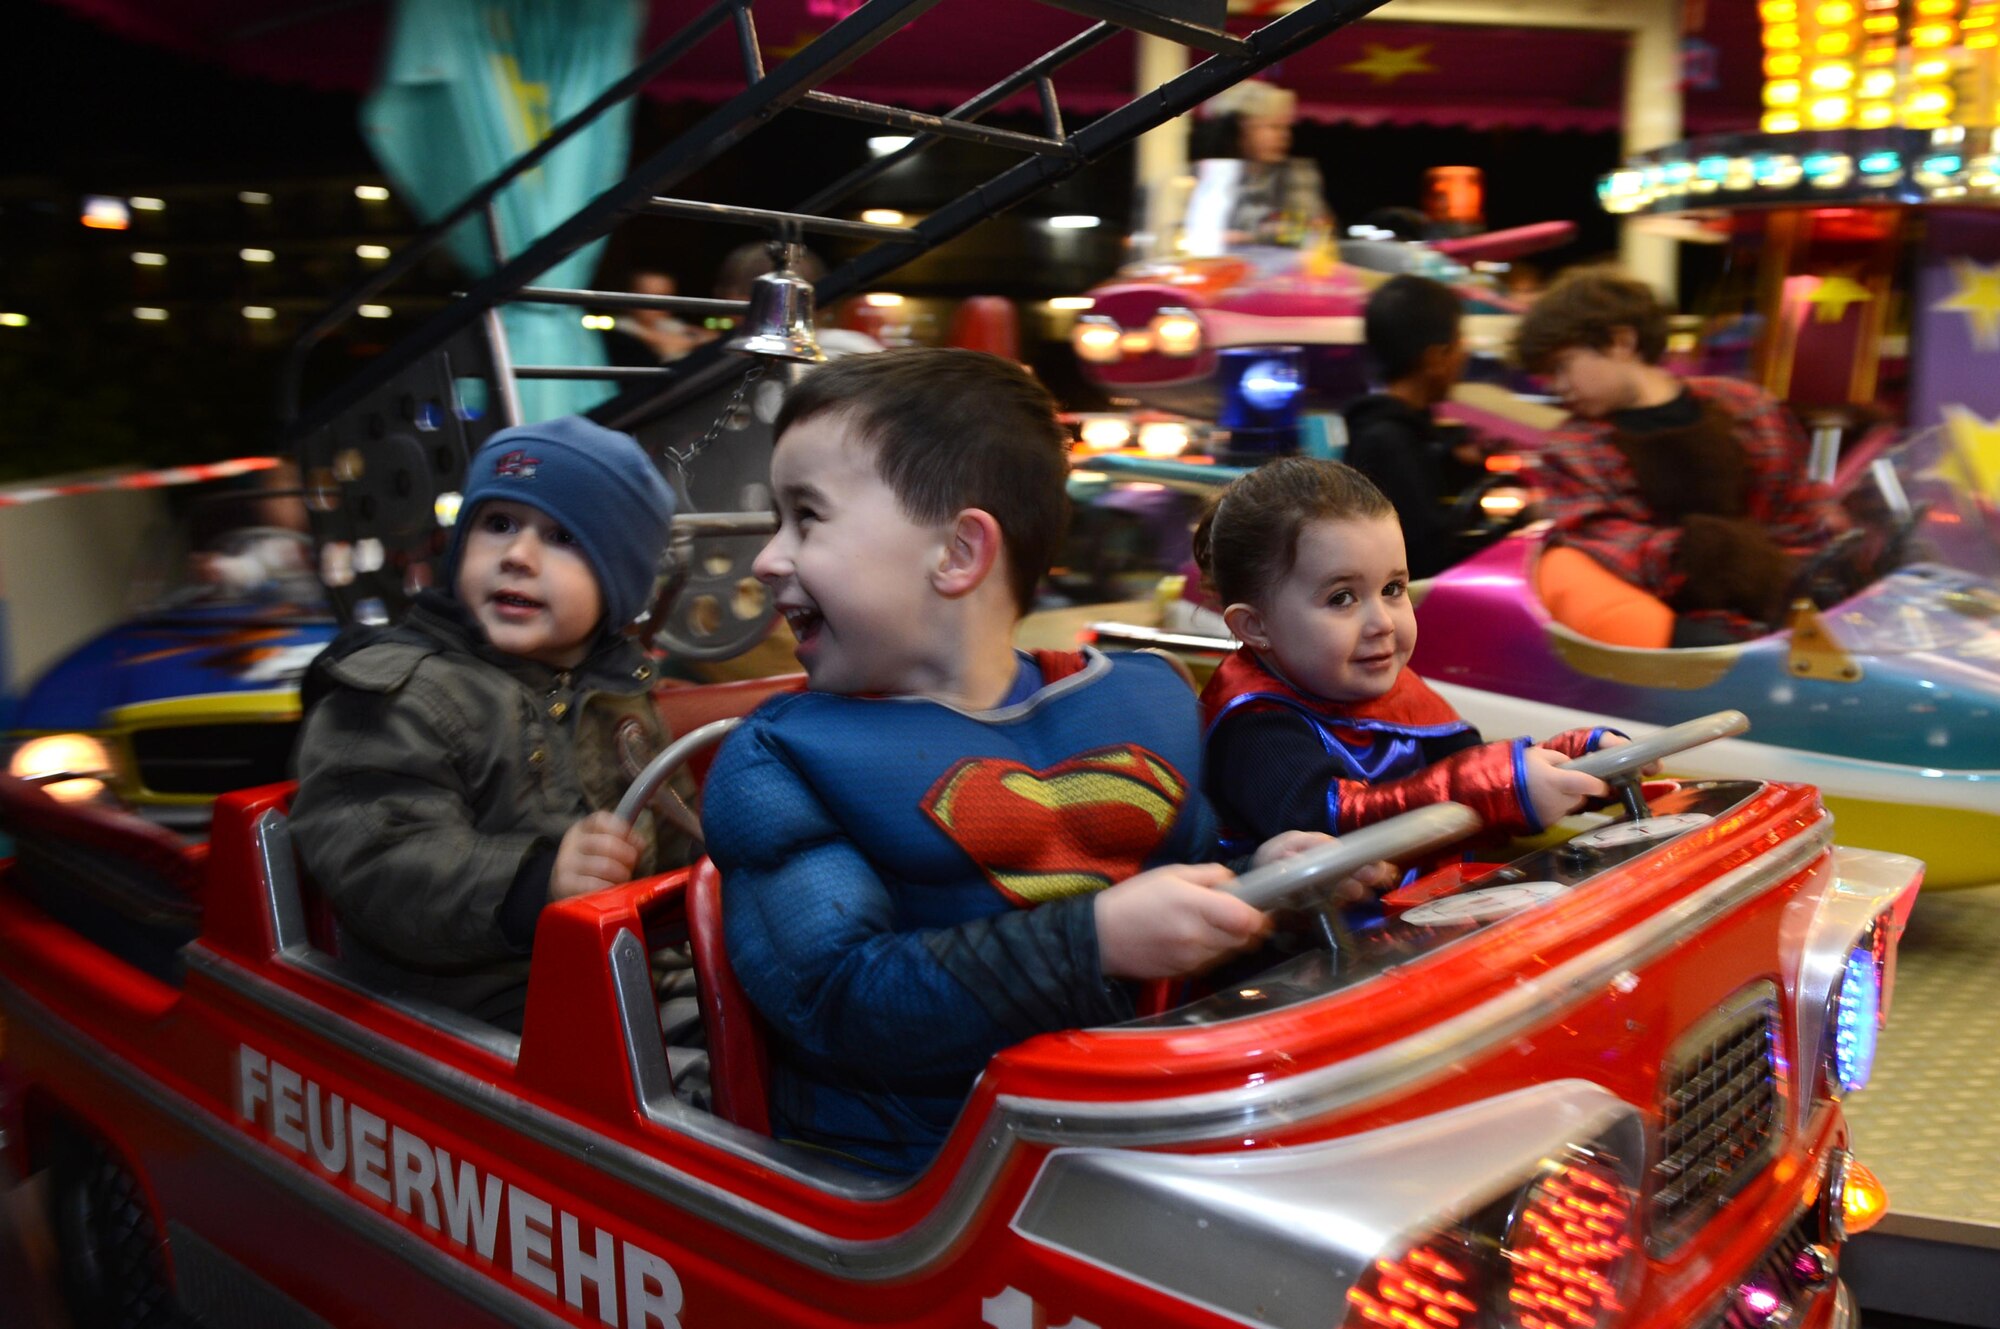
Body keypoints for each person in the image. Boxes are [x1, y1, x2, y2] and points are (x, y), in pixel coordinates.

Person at [700, 349, 1379, 1177]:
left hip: (1141, 1125)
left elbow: (1182, 876)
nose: (769, 557)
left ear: (957, 554)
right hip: (916, 1186)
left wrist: (1260, 880)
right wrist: (1091, 942)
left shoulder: (1137, 697)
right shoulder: (780, 757)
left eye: (806, 517)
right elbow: (833, 999)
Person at [290, 416, 696, 1032]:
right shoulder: (398, 694)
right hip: (472, 1018)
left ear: (619, 583)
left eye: (562, 538)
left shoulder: (622, 696)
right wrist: (536, 882)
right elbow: (377, 859)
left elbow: (679, 840)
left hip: (621, 982)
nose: (517, 556)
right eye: (498, 524)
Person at [1194, 457, 1622, 854]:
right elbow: (1332, 823)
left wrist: (1570, 767)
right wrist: (1501, 788)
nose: (1383, 622)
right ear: (1255, 626)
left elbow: (1468, 770)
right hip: (1332, 933)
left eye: (1393, 589)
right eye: (1342, 597)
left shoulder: (1393, 690)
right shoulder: (1253, 726)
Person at [1514, 267, 1847, 647]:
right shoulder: (1572, 447)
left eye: (1561, 366)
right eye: (1546, 377)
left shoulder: (1746, 407)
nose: (1558, 388)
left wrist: (1815, 573)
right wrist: (1717, 554)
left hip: (1788, 624)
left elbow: (1797, 508)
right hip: (1672, 644)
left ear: (1621, 342)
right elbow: (1604, 547)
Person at [1343, 274, 1490, 579]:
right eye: (1459, 341)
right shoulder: (1388, 442)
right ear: (1436, 358)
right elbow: (1429, 556)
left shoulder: (1412, 431)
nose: (1465, 353)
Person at [1179, 80, 1331, 253]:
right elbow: (1184, 228)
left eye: (1285, 128)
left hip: (1282, 274)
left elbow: (1310, 230)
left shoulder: (1296, 175)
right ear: (1240, 131)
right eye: (1273, 127)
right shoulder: (1208, 175)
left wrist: (1248, 238)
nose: (1285, 136)